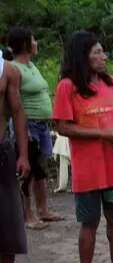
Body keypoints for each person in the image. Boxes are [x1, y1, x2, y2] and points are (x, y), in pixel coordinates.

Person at [53, 31, 113, 263]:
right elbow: (63, 126)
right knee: (90, 221)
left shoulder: (111, 83)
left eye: (102, 51)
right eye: (97, 52)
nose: (103, 56)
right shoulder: (68, 87)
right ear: (83, 56)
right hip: (88, 170)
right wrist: (102, 133)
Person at [7, 27, 63, 230]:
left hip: (42, 125)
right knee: (27, 170)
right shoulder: (13, 69)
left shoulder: (31, 66)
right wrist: (23, 130)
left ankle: (43, 210)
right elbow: (15, 102)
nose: (37, 43)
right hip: (28, 126)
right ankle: (27, 215)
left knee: (41, 169)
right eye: (34, 40)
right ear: (25, 44)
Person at [0, 49, 38, 263]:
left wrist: (23, 154)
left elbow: (17, 111)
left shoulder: (7, 70)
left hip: (1, 149)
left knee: (8, 215)